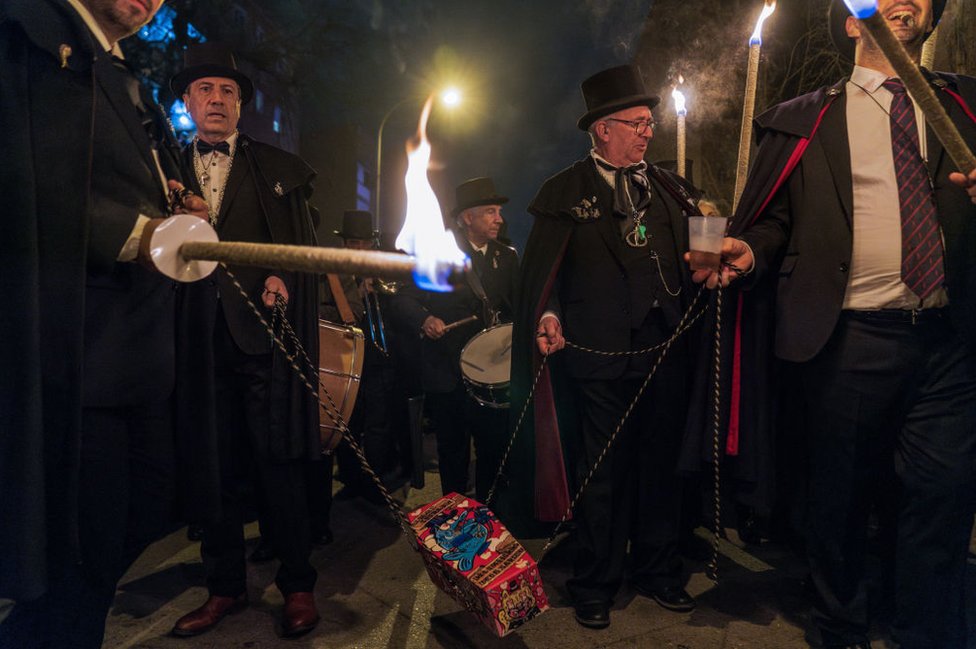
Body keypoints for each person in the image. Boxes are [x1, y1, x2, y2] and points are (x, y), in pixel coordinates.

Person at [696, 2, 976, 647]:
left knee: (943, 493)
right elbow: (773, 220)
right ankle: (840, 623)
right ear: (853, 22)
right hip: (848, 340)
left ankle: (925, 629)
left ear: (932, 18)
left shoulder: (964, 107)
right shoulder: (805, 119)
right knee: (840, 497)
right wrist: (749, 250)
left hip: (950, 338)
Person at [0, 1, 213, 647]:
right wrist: (134, 232)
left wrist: (171, 202)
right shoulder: (30, 37)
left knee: (146, 505)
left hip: (140, 357)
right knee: (82, 547)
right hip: (77, 352)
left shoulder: (119, 72)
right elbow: (21, 176)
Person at [502, 64, 703, 630]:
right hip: (598, 358)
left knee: (661, 467)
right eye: (636, 123)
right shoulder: (562, 193)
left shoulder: (671, 189)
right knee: (602, 474)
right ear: (602, 129)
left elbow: (695, 259)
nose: (648, 132)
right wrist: (548, 313)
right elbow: (543, 279)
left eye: (649, 122)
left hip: (666, 351)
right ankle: (595, 581)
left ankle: (659, 570)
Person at [167, 43, 322, 639]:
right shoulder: (162, 168)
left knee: (277, 462)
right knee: (214, 468)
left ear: (240, 107)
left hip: (261, 337)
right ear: (188, 102)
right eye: (205, 89)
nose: (217, 99)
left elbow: (298, 246)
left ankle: (298, 584)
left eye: (228, 91)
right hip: (192, 342)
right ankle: (224, 587)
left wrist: (283, 275)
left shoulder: (277, 168)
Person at [390, 177, 518, 499]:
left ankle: (488, 514)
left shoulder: (507, 257)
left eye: (499, 211)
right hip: (447, 371)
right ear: (467, 217)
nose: (499, 219)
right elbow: (402, 300)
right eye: (490, 212)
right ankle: (456, 514)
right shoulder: (439, 254)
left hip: (491, 374)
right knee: (453, 451)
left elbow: (517, 307)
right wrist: (425, 319)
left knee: (493, 450)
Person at [322, 210, 411, 502]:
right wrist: (358, 295)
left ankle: (375, 479)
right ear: (344, 244)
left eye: (364, 244)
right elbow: (325, 312)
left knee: (378, 422)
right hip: (348, 355)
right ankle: (351, 478)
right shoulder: (333, 270)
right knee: (349, 420)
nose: (359, 249)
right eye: (353, 243)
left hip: (379, 357)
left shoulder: (380, 266)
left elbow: (401, 304)